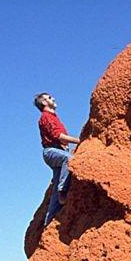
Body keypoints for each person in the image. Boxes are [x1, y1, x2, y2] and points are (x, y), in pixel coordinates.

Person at [34, 93, 80, 225]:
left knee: (53, 194)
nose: (53, 98)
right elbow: (59, 136)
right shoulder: (46, 117)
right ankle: (62, 192)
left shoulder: (54, 117)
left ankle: (48, 223)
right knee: (70, 159)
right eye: (48, 98)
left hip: (58, 151)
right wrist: (80, 140)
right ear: (43, 103)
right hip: (51, 151)